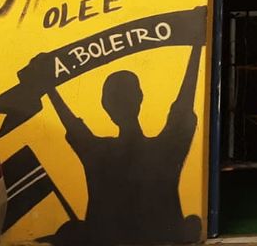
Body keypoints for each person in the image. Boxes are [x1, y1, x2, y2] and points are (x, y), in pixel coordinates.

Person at [41, 44, 204, 245]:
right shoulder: (164, 149)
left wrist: (49, 87)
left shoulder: (98, 153)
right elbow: (183, 108)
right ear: (140, 97)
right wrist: (196, 47)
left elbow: (73, 125)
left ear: (106, 106)